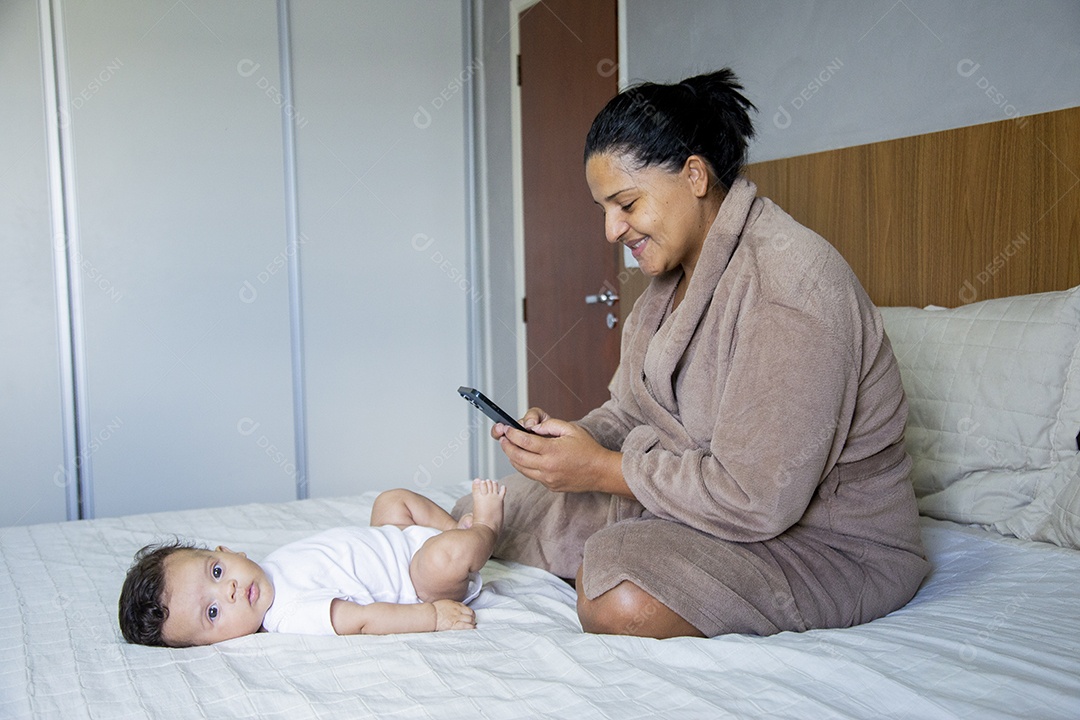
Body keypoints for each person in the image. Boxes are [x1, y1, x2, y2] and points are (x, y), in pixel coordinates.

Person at [453, 68, 929, 639]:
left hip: (822, 541)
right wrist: (565, 444)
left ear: (695, 176)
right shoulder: (669, 283)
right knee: (486, 511)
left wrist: (602, 471)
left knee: (615, 590)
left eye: (625, 203)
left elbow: (759, 498)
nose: (610, 229)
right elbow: (630, 412)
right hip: (699, 503)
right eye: (603, 208)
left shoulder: (791, 286)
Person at [119, 479, 505, 647]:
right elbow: (363, 620)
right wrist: (433, 617)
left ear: (228, 552)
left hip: (395, 540)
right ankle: (484, 529)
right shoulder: (288, 614)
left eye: (217, 573)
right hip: (417, 582)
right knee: (443, 559)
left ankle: (456, 530)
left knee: (391, 500)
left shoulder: (268, 568)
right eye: (214, 611)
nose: (230, 590)